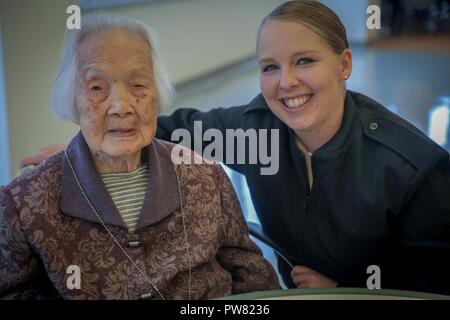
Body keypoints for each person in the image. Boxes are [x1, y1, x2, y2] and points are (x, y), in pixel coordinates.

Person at [19, 1, 450, 294]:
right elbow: (165, 126)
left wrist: (350, 292)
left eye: (305, 61)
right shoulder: (256, 129)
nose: (286, 83)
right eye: (269, 67)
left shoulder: (414, 168)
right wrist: (88, 147)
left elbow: (434, 286)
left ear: (344, 65)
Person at [0, 13, 279, 300]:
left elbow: (256, 285)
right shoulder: (23, 204)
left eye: (138, 86)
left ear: (157, 94)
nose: (122, 106)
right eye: (97, 88)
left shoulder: (207, 177)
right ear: (72, 100)